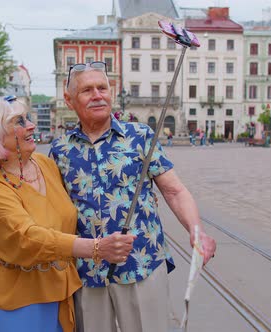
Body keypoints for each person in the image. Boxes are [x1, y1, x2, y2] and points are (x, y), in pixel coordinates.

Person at [50, 62, 216, 331]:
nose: (97, 95)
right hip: (87, 269)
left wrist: (196, 230)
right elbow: (49, 204)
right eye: (87, 90)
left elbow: (174, 190)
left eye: (102, 88)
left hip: (142, 262)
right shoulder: (60, 149)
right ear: (69, 100)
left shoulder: (140, 136)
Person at [0, 95, 136, 332]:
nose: (31, 125)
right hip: (16, 298)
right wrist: (97, 248)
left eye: (28, 118)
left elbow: (80, 200)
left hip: (59, 290)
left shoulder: (44, 164)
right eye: (19, 121)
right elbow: (27, 238)